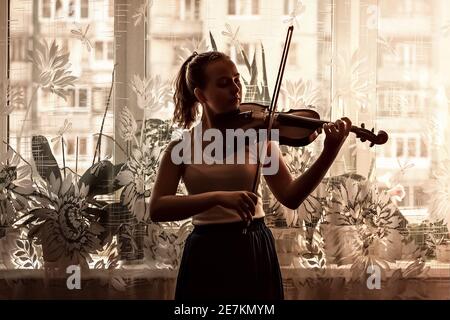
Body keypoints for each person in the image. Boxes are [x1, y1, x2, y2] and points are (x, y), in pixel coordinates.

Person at [149, 51, 351, 300]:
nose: (235, 89)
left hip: (252, 246)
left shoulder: (257, 136)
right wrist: (218, 198)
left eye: (237, 80)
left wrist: (329, 152)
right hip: (205, 250)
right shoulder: (181, 147)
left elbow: (290, 196)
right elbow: (158, 208)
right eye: (223, 83)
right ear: (200, 95)